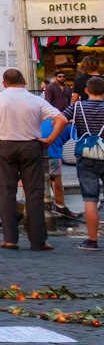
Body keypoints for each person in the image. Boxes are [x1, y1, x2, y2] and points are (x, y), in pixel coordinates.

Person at [0, 68, 66, 252]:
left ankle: (10, 239)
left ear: (4, 83)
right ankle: (38, 241)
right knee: (34, 193)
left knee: (6, 191)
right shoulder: (36, 99)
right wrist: (49, 139)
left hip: (4, 145)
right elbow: (61, 119)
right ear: (24, 82)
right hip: (31, 146)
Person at [70, 77, 104, 252]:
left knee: (90, 199)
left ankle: (92, 241)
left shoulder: (78, 107)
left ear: (86, 90)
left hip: (86, 156)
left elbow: (59, 119)